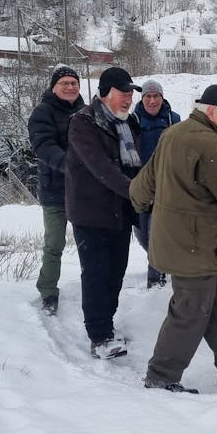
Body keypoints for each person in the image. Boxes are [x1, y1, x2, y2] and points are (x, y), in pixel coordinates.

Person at [130, 84, 217, 394]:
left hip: (188, 243)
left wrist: (137, 203)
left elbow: (144, 183)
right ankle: (160, 377)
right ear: (211, 111)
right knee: (189, 312)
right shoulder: (211, 146)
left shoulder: (173, 134)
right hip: (194, 245)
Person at [65, 67, 142, 360]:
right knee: (97, 274)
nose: (128, 99)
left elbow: (137, 165)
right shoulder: (83, 122)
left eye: (130, 94)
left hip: (120, 210)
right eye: (123, 93)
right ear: (105, 93)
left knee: (116, 272)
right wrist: (136, 191)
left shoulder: (129, 122)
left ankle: (107, 324)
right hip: (91, 211)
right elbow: (101, 167)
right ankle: (99, 336)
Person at [27, 64, 85, 316]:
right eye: (65, 83)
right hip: (55, 192)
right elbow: (43, 145)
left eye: (74, 83)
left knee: (89, 243)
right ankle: (48, 290)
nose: (70, 87)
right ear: (54, 88)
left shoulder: (85, 111)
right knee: (54, 243)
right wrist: (71, 165)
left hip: (83, 191)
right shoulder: (43, 112)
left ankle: (92, 285)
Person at [133, 79, 180, 288]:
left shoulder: (173, 119)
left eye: (156, 96)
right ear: (142, 98)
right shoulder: (132, 120)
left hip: (165, 185)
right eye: (148, 97)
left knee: (155, 234)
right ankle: (162, 260)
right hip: (141, 185)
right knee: (142, 235)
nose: (152, 101)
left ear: (162, 97)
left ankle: (155, 278)